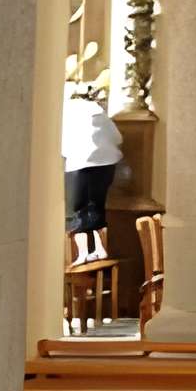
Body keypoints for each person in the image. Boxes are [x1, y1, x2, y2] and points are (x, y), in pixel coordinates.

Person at [64, 78, 123, 265]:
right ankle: (99, 248)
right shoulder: (99, 113)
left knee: (79, 209)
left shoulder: (67, 111)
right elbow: (117, 137)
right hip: (107, 164)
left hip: (80, 163)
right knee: (97, 206)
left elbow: (62, 142)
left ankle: (82, 254)